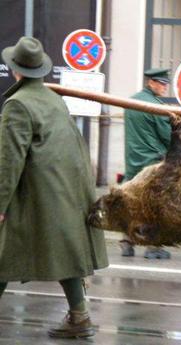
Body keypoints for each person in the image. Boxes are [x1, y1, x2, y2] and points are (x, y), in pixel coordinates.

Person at [0, 37, 108, 338]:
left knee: (3, 250)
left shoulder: (17, 104)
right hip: (65, 190)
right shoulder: (52, 98)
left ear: (14, 69)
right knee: (65, 251)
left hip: (37, 192)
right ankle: (79, 316)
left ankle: (80, 317)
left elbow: (9, 162)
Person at [119, 67, 173, 259]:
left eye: (166, 84)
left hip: (133, 161)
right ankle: (153, 246)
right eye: (161, 83)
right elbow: (168, 138)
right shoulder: (156, 107)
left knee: (132, 202)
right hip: (151, 162)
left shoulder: (130, 101)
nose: (165, 88)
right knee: (154, 204)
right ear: (150, 82)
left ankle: (127, 242)